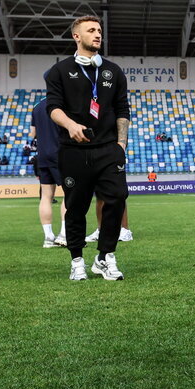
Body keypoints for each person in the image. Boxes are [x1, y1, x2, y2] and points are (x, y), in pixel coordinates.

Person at [45, 15, 130, 280]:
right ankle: (77, 260)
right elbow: (53, 107)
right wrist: (70, 125)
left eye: (99, 31)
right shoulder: (59, 70)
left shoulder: (113, 71)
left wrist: (121, 144)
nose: (97, 34)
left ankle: (105, 257)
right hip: (73, 150)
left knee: (117, 198)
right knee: (76, 207)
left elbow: (122, 109)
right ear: (76, 36)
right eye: (91, 30)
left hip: (108, 149)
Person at [31, 93, 67, 248]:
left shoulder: (37, 107)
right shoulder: (63, 104)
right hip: (61, 153)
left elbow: (32, 134)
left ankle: (48, 237)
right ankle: (65, 234)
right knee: (70, 194)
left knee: (46, 196)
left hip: (43, 155)